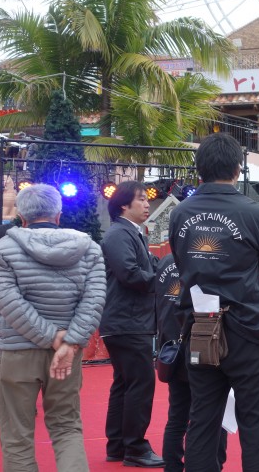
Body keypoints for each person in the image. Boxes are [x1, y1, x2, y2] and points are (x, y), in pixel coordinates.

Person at [168, 133, 259, 472]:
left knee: (202, 418)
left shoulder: (180, 214)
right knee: (255, 424)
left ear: (199, 170)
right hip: (246, 328)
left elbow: (180, 261)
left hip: (200, 326)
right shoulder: (256, 214)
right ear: (237, 169)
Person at [0, 183, 106, 471]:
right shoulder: (89, 248)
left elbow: (8, 302)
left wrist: (54, 338)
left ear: (21, 215)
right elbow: (94, 300)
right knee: (67, 427)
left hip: (18, 351)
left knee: (16, 434)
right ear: (59, 214)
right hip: (67, 355)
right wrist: (69, 342)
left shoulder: (4, 249)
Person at [99, 180, 164, 468]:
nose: (148, 203)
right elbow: (131, 274)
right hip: (127, 321)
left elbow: (143, 269)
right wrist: (163, 282)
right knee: (140, 383)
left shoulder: (131, 233)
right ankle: (135, 447)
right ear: (124, 204)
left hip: (127, 320)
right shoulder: (119, 234)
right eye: (141, 199)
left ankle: (118, 445)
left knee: (125, 384)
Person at [155, 253, 228, 472]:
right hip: (201, 345)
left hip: (172, 345)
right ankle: (213, 464)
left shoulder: (165, 262)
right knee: (211, 414)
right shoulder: (207, 259)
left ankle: (173, 466)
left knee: (177, 416)